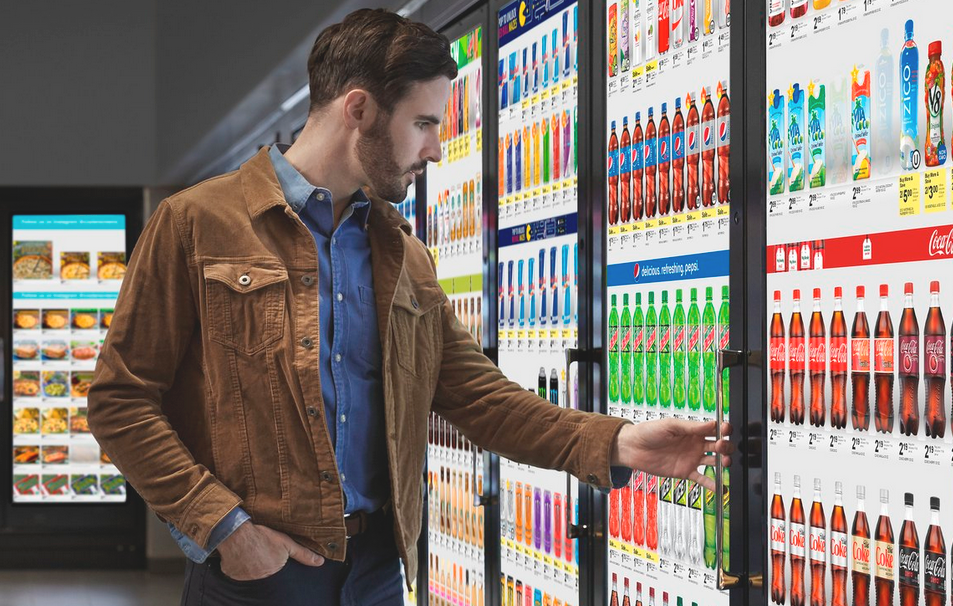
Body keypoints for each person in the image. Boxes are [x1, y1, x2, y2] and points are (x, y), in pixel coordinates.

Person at [87, 8, 733, 606]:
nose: (435, 149)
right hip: (256, 577)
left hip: (376, 573)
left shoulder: (403, 254)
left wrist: (618, 442)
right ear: (359, 109)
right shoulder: (196, 224)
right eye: (423, 124)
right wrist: (225, 528)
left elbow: (482, 400)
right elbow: (120, 400)